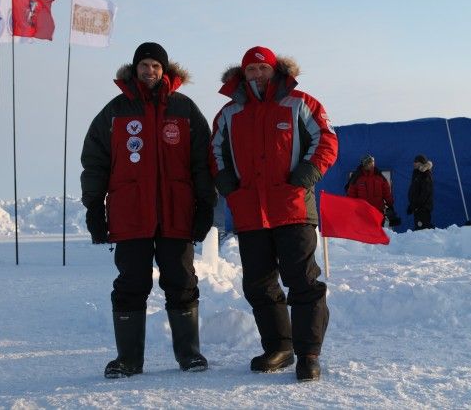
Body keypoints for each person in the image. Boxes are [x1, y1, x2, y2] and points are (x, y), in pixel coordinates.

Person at [80, 42, 217, 378]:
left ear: (164, 71)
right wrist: (94, 207)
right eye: (144, 65)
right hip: (131, 216)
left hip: (176, 214)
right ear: (135, 68)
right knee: (131, 284)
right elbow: (95, 161)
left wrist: (205, 204)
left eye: (156, 66)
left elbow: (203, 162)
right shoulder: (115, 111)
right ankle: (128, 360)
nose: (150, 71)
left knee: (182, 281)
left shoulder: (185, 110)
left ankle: (189, 354)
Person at [209, 46, 337, 382]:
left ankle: (308, 355)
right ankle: (279, 347)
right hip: (250, 212)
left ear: (275, 70)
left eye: (262, 68)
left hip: (293, 208)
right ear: (243, 74)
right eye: (251, 70)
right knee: (259, 284)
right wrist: (226, 183)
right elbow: (215, 152)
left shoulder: (301, 103)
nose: (257, 75)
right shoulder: (228, 113)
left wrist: (306, 174)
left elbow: (326, 140)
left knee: (303, 282)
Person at [346, 154, 395, 221]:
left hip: (378, 211)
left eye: (373, 162)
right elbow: (351, 195)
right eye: (370, 163)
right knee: (364, 230)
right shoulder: (357, 178)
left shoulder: (380, 177)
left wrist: (390, 205)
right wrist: (350, 208)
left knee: (378, 230)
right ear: (365, 164)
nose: (372, 165)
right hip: (363, 212)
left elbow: (386, 192)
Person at [407, 154, 434, 230]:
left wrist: (415, 205)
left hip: (423, 208)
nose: (414, 163)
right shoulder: (417, 174)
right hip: (417, 209)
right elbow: (415, 190)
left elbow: (425, 193)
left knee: (422, 231)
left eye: (416, 161)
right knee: (420, 230)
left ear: (421, 163)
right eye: (414, 161)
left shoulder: (425, 174)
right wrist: (412, 205)